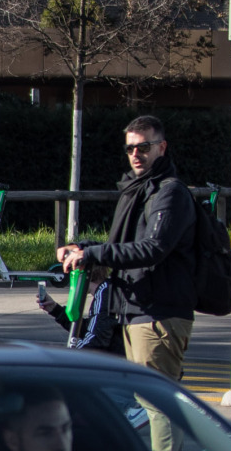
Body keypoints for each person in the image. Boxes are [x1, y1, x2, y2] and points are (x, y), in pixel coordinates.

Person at [56, 116, 198, 382]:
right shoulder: (136, 190)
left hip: (158, 316)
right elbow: (122, 246)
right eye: (130, 148)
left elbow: (152, 248)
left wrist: (91, 254)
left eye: (144, 147)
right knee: (141, 407)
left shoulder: (169, 193)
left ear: (162, 147)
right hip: (134, 312)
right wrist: (82, 247)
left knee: (156, 410)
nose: (136, 154)